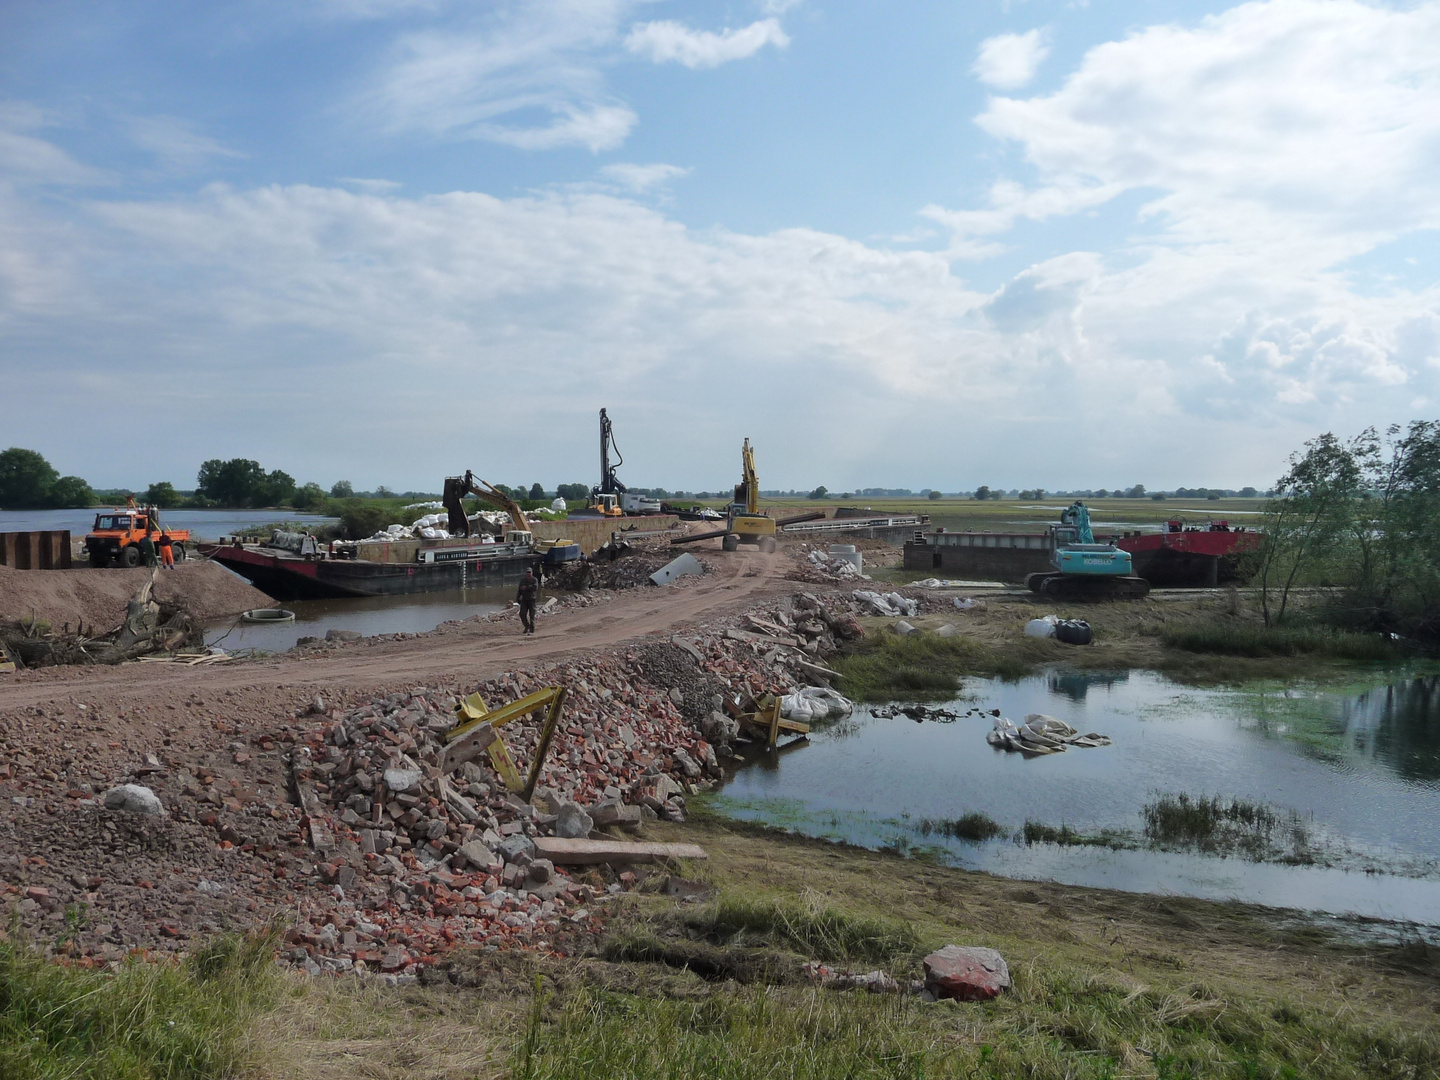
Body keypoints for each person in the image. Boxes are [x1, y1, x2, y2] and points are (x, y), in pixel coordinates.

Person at [516, 568, 539, 635]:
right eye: (527, 572)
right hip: (524, 600)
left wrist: (526, 587)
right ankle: (527, 626)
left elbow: (535, 587)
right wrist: (517, 598)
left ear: (532, 573)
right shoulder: (522, 580)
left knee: (532, 615)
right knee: (522, 614)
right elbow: (519, 590)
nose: (528, 574)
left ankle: (532, 630)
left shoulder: (534, 580)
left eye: (529, 572)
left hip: (532, 600)